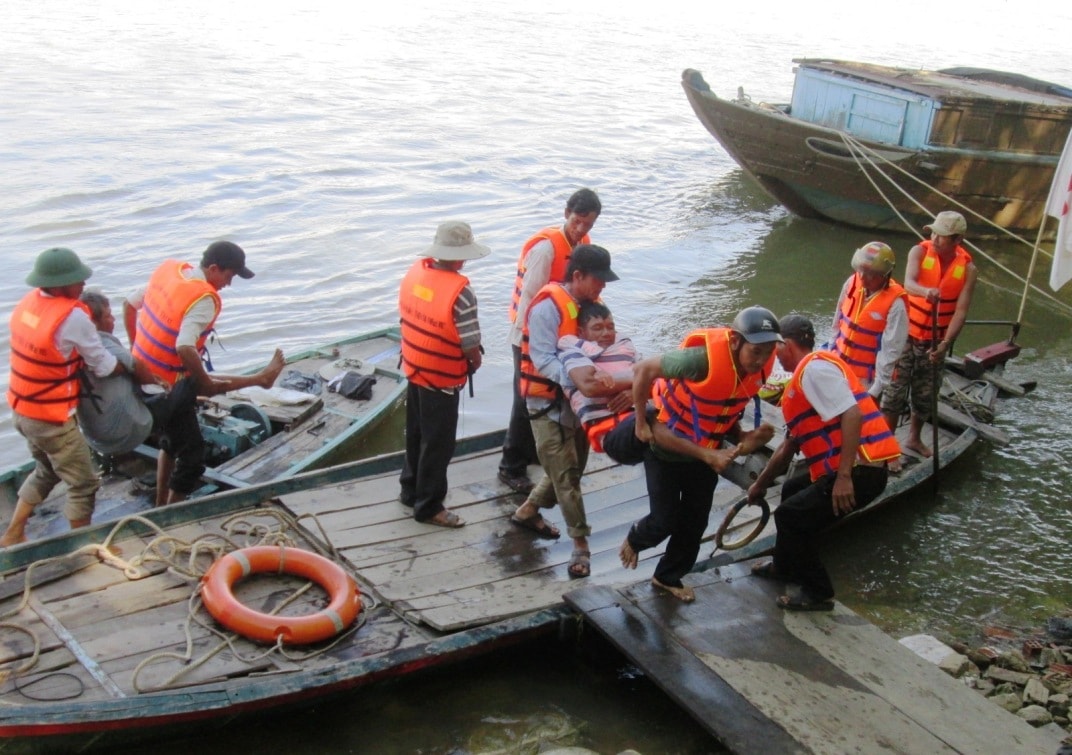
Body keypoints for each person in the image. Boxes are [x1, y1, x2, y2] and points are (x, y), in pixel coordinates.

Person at [619, 306, 780, 602]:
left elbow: (725, 407)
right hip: (667, 449)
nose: (760, 360)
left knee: (695, 522)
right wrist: (641, 421)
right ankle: (635, 537)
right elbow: (642, 370)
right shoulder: (700, 360)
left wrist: (744, 436)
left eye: (768, 353)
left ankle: (667, 576)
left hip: (708, 451)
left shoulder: (756, 370)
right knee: (662, 521)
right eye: (755, 351)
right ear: (735, 341)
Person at [748, 315, 901, 611]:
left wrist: (844, 477)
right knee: (791, 491)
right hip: (846, 470)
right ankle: (784, 567)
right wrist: (759, 485)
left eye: (775, 349)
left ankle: (818, 591)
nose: (773, 357)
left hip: (861, 470)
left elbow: (852, 414)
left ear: (787, 345)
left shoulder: (815, 370)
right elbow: (789, 445)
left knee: (792, 517)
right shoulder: (806, 377)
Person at [123, 240, 285, 505]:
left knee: (169, 442)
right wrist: (204, 381)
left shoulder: (171, 274)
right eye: (229, 276)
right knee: (193, 455)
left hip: (144, 377)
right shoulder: (204, 298)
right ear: (213, 268)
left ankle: (162, 502)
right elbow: (184, 346)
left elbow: (128, 305)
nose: (228, 284)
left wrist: (135, 349)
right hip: (167, 387)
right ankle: (171, 512)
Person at [2, 248, 126, 545]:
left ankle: (14, 531)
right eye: (76, 280)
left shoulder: (28, 304)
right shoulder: (72, 317)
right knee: (83, 482)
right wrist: (126, 366)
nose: (83, 285)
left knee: (46, 471)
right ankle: (82, 547)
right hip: (51, 420)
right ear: (58, 285)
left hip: (22, 411)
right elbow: (102, 364)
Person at [510, 245, 619, 579]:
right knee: (567, 476)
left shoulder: (588, 308)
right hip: (546, 402)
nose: (602, 287)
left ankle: (528, 511)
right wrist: (575, 378)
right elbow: (543, 358)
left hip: (577, 400)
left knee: (575, 466)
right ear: (577, 276)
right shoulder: (547, 308)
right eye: (598, 280)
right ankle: (581, 545)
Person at [499, 188, 602, 495]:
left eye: (588, 224)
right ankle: (510, 466)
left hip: (560, 336)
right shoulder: (546, 249)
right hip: (529, 336)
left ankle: (534, 453)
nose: (581, 228)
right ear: (566, 213)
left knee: (549, 396)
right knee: (525, 398)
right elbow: (530, 298)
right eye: (577, 221)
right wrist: (528, 345)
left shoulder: (583, 245)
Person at [397, 221, 489, 528]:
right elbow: (470, 344)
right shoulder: (461, 293)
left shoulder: (416, 273)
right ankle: (429, 506)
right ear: (462, 256)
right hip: (441, 377)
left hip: (414, 366)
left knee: (417, 433)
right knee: (438, 443)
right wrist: (474, 363)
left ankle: (409, 490)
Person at [76, 291, 204, 496]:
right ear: (94, 322)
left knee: (175, 423)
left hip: (95, 438)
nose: (114, 319)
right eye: (109, 316)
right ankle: (172, 501)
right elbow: (139, 370)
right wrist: (159, 384)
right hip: (127, 431)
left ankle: (167, 459)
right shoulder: (105, 344)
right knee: (187, 387)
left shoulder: (72, 346)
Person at [881, 212, 978, 458]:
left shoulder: (968, 269)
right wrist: (926, 291)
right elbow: (909, 283)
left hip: (935, 341)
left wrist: (945, 344)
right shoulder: (920, 252)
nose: (934, 238)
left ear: (957, 239)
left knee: (925, 394)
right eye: (933, 232)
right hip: (905, 335)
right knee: (894, 391)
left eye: (942, 235)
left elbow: (961, 312)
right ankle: (888, 447)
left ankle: (913, 439)